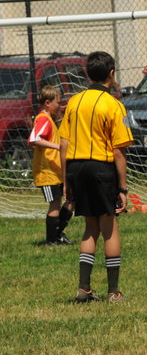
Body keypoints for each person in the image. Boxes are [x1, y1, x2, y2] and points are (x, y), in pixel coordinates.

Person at [59, 51, 133, 303]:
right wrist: (122, 188)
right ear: (111, 74)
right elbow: (118, 151)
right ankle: (113, 292)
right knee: (109, 228)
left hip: (76, 167)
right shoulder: (114, 105)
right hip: (101, 168)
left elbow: (64, 143)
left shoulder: (74, 102)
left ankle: (84, 289)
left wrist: (66, 180)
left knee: (90, 227)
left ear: (87, 74)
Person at [28, 85, 74, 246]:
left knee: (70, 199)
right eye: (58, 103)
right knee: (55, 203)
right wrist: (57, 146)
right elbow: (34, 139)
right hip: (46, 172)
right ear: (47, 103)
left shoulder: (49, 120)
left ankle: (57, 235)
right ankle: (52, 240)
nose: (60, 106)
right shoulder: (43, 119)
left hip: (55, 170)